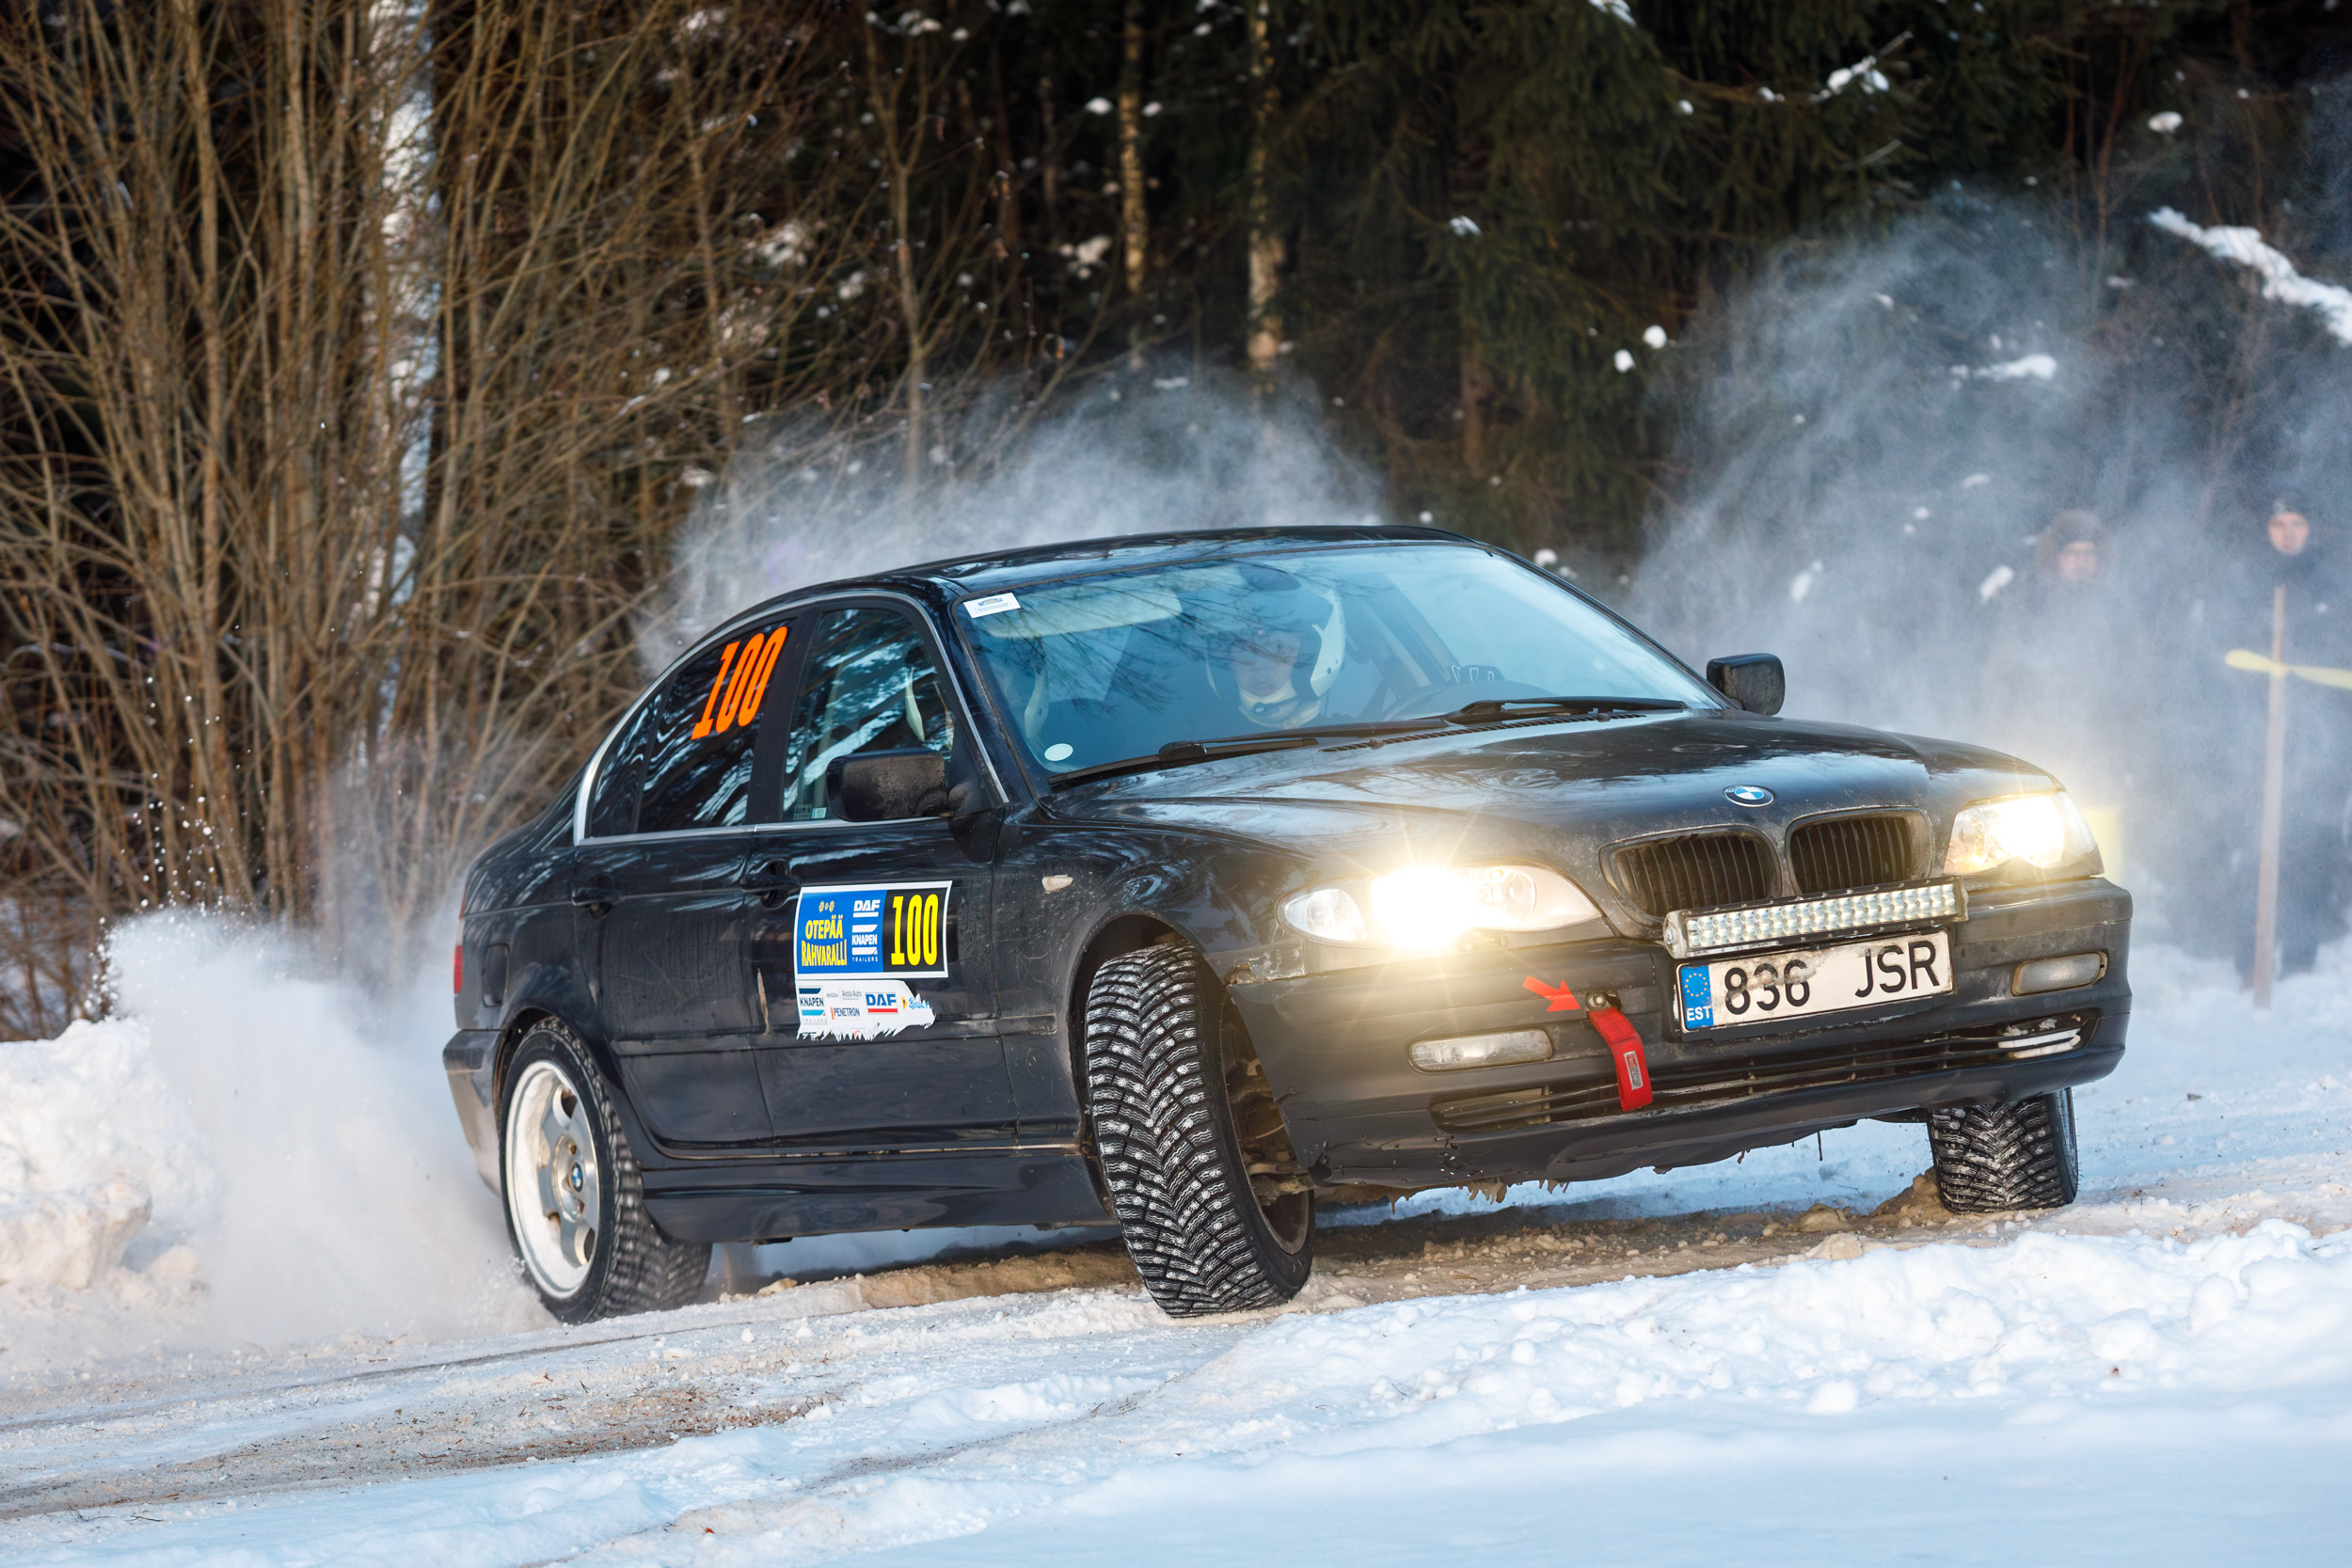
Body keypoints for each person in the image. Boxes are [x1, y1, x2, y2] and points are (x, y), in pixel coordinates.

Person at [2237, 499, 2352, 976]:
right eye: (2278, 523)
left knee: (2314, 843)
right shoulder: (2248, 579)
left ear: (2311, 527)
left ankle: (2303, 951)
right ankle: (2251, 954)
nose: (2287, 533)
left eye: (2297, 523)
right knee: (2257, 842)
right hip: (2257, 734)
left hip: (2322, 738)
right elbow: (2225, 651)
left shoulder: (2334, 582)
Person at [1208, 564, 1346, 731]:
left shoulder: (1196, 732)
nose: (1261, 666)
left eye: (1247, 655)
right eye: (1277, 650)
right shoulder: (1356, 733)